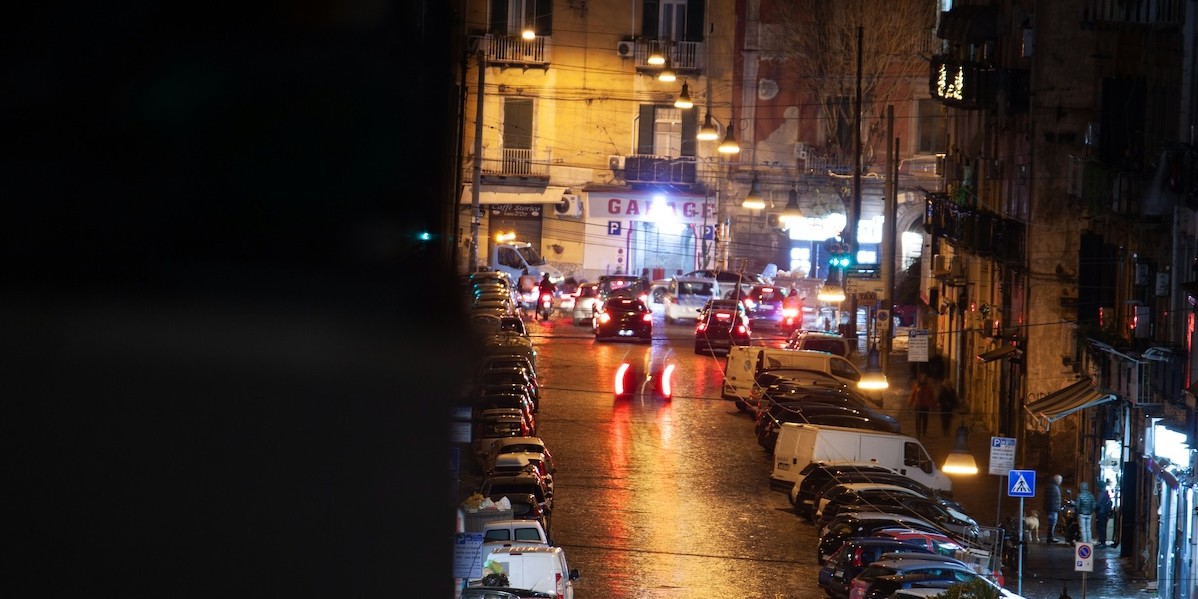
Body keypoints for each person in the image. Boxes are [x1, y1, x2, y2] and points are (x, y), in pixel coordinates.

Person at [908, 371, 937, 438]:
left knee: (925, 420)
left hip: (925, 405)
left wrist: (933, 405)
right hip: (918, 405)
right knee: (918, 420)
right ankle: (918, 432)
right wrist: (910, 403)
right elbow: (913, 395)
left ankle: (924, 432)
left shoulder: (928, 387)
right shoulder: (917, 386)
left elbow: (931, 396)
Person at [1044, 474, 1063, 543]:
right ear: (1057, 480)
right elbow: (1052, 500)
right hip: (1052, 509)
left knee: (1052, 523)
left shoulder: (1053, 486)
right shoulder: (1053, 487)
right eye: (1060, 480)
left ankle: (1050, 537)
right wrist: (1057, 508)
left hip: (1053, 509)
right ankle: (1050, 538)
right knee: (1052, 523)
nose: (1061, 481)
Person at [1096, 479, 1114, 546]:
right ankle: (1102, 541)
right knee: (1103, 527)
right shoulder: (1106, 493)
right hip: (1105, 513)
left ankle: (1102, 542)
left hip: (1101, 512)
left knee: (1101, 527)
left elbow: (1098, 504)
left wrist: (1093, 506)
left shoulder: (1101, 493)